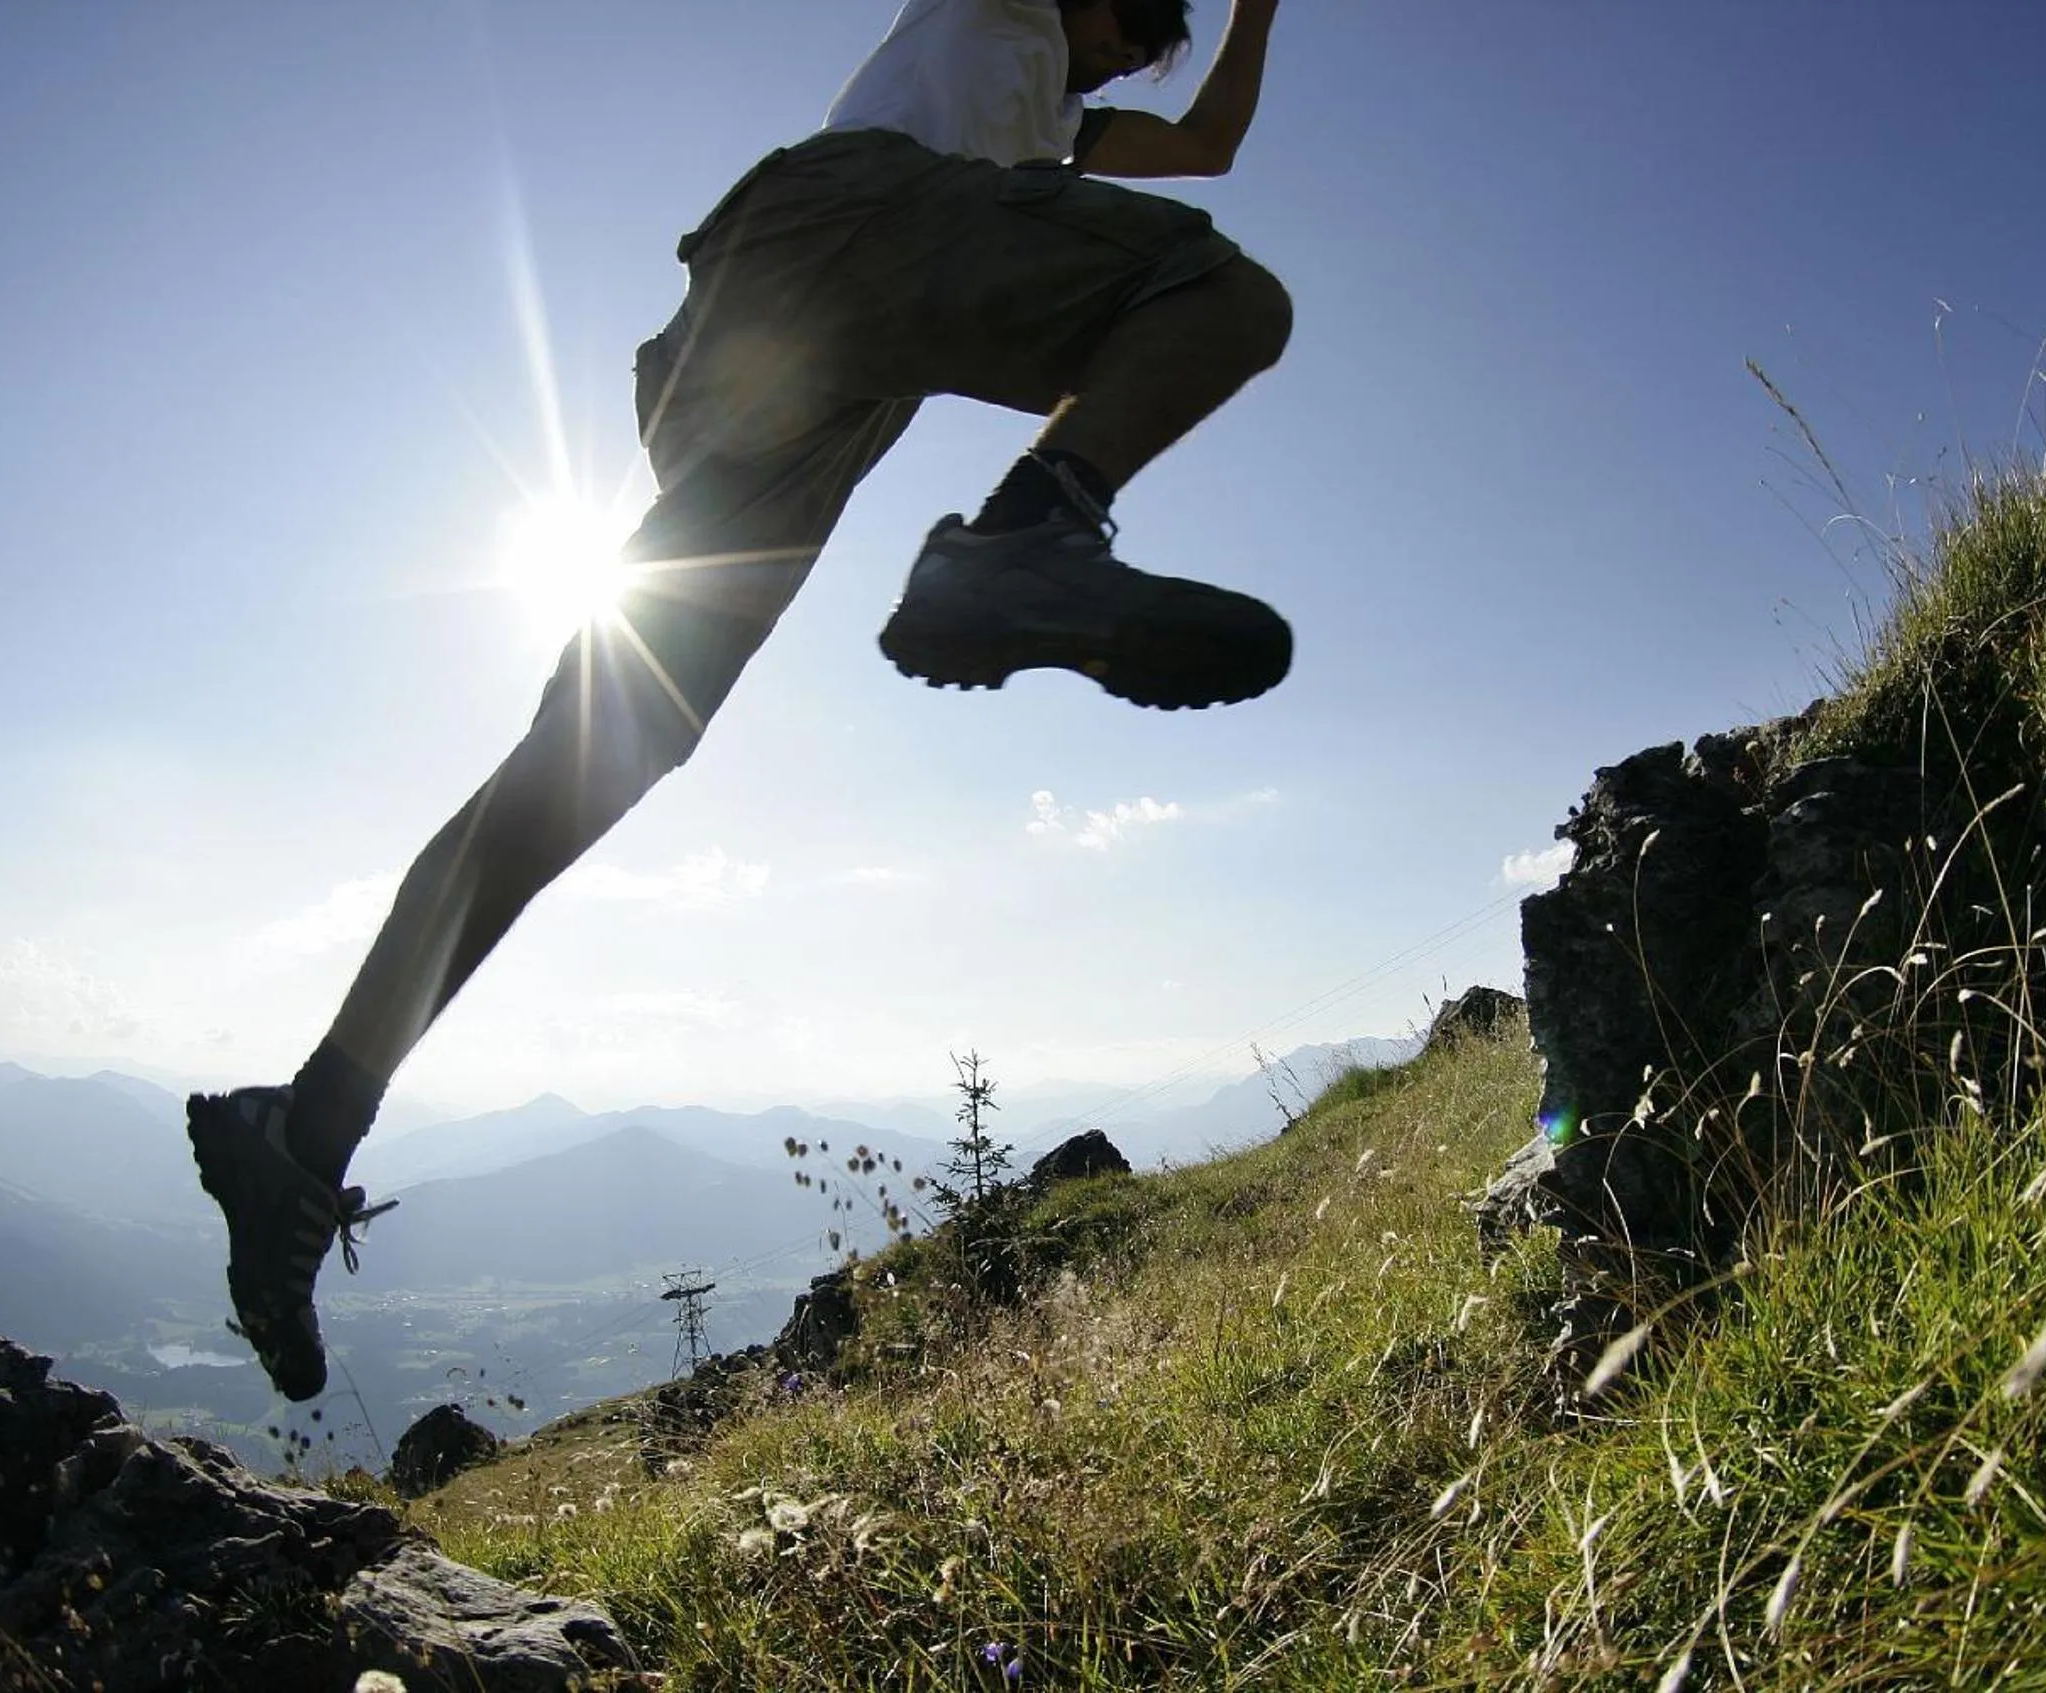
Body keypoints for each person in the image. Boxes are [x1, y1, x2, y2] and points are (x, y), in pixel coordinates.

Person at [188, 0, 1292, 1402]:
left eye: (1154, 38)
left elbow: (1210, 142)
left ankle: (304, 1127)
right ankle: (1023, 540)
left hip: (799, 370)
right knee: (1221, 300)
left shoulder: (1065, 125)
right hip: (843, 230)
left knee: (598, 750)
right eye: (1134, 10)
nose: (1136, 43)